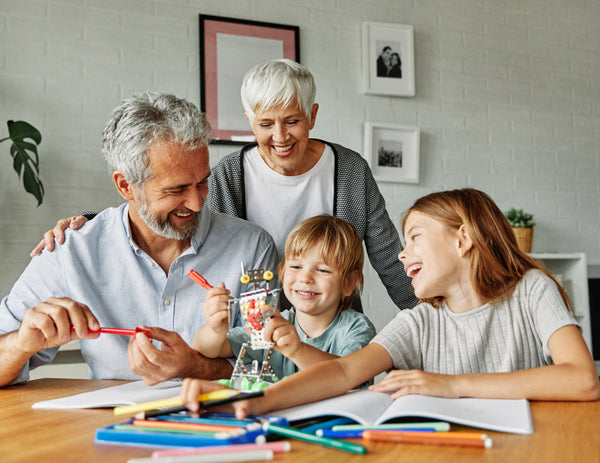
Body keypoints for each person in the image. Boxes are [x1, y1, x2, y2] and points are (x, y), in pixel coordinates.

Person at [31, 59, 417, 314]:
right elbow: (170, 204)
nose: (280, 136)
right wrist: (89, 221)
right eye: (266, 124)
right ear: (249, 121)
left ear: (312, 115)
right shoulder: (231, 172)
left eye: (292, 121)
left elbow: (388, 258)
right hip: (257, 334)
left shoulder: (349, 171)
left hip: (334, 328)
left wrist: (434, 320)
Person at [181, 188, 600, 416]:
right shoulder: (419, 321)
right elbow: (343, 371)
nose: (401, 254)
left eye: (414, 236)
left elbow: (582, 379)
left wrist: (451, 386)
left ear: (463, 240)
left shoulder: (531, 290)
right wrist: (252, 400)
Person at [0, 92, 279, 387]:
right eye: (176, 190)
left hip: (220, 424)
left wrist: (194, 367)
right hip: (106, 429)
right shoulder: (72, 251)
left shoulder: (251, 248)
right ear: (126, 186)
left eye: (202, 182)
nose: (197, 203)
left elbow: (269, 370)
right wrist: (21, 343)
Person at [193, 215, 376, 381]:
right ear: (281, 272)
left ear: (349, 283)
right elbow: (205, 350)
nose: (305, 278)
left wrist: (297, 350)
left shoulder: (357, 329)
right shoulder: (274, 325)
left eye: (322, 270)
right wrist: (215, 329)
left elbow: (348, 376)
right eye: (296, 267)